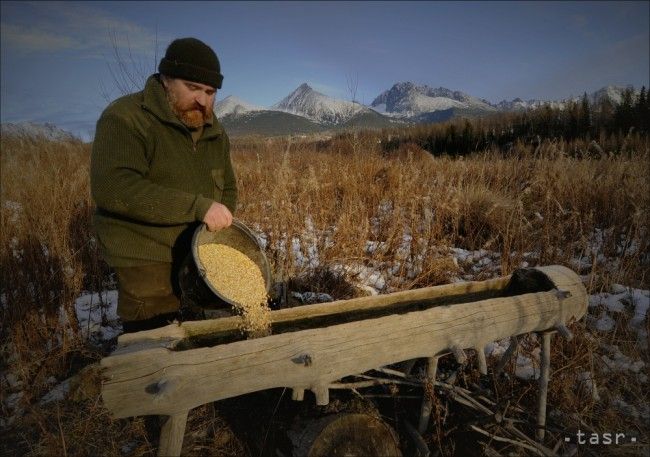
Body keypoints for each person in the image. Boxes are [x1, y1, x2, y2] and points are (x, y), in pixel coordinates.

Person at [91, 37, 237, 332]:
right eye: (193, 88)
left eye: (210, 92)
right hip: (146, 257)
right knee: (154, 343)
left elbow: (228, 188)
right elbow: (114, 187)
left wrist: (216, 231)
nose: (203, 100)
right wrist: (198, 207)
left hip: (198, 252)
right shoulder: (126, 117)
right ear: (166, 79)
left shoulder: (214, 130)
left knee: (198, 339)